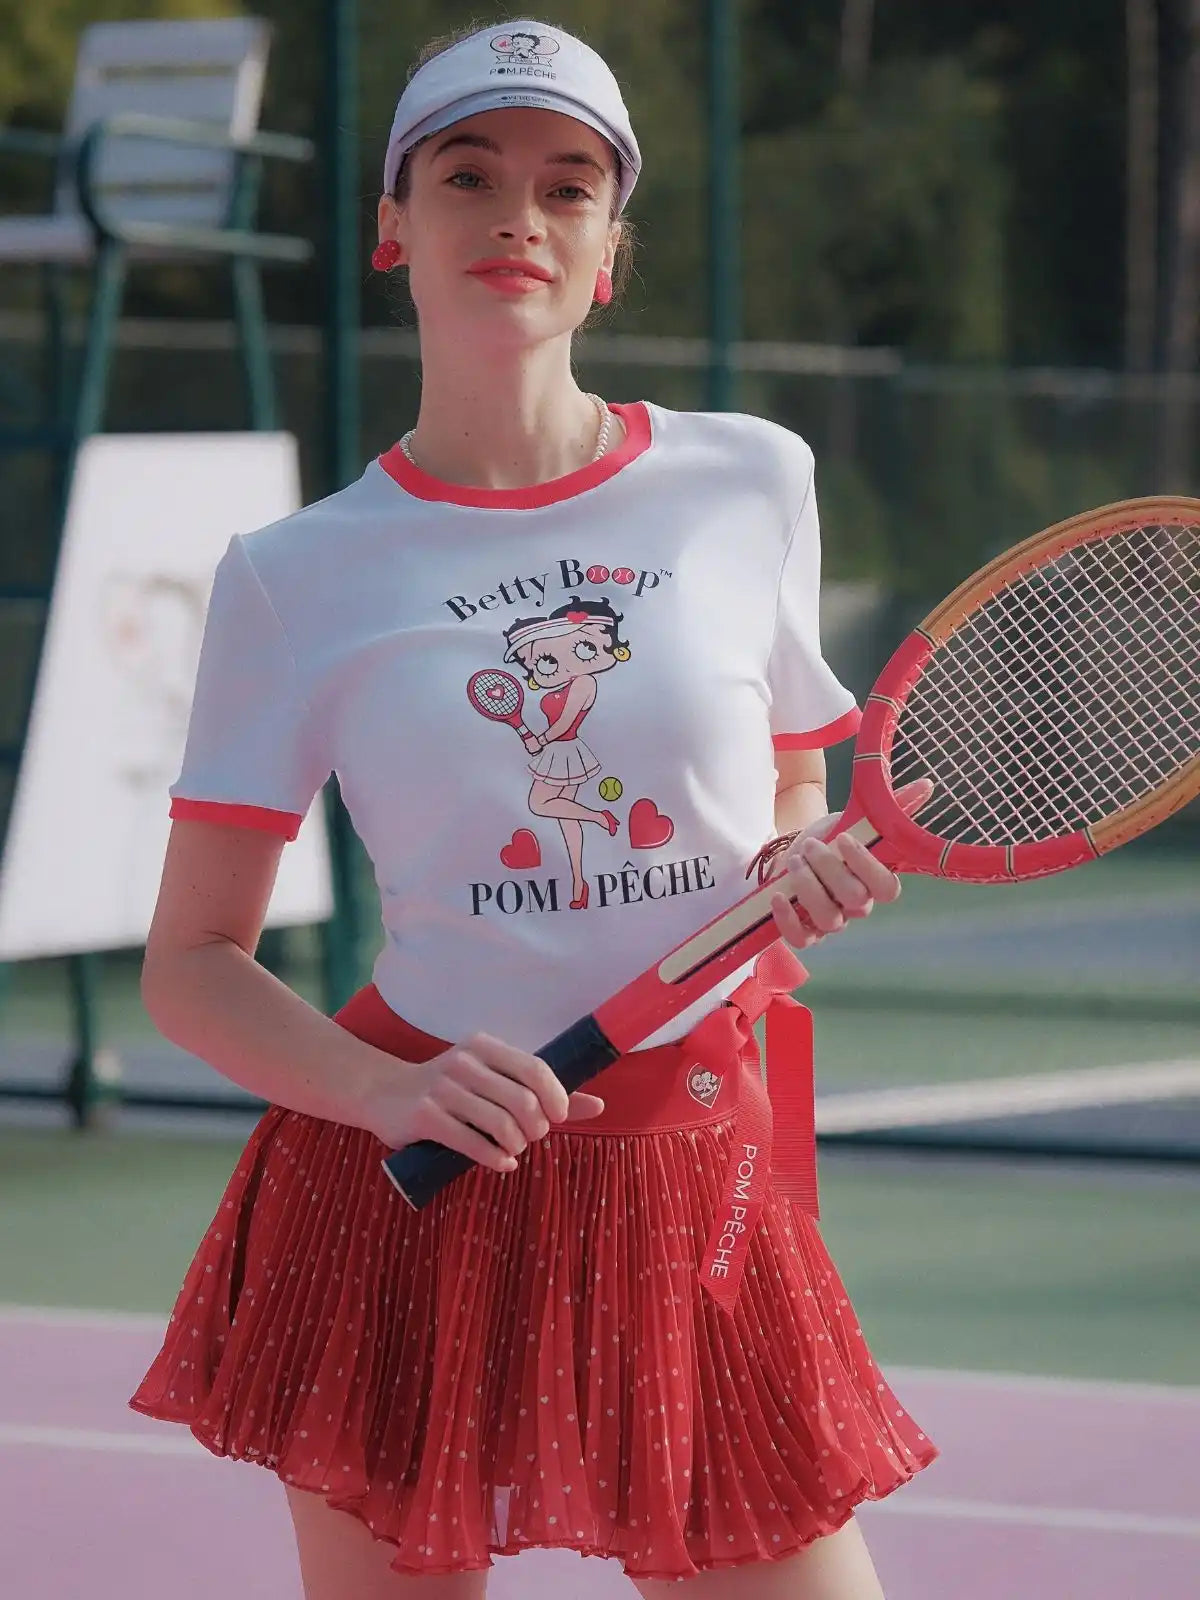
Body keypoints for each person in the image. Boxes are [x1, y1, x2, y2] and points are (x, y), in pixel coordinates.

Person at [130, 19, 937, 1598]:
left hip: (697, 1172)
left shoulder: (749, 480)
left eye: (570, 186)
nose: (521, 214)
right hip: (402, 1193)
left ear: (610, 253)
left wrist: (793, 852)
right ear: (394, 229)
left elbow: (788, 773)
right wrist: (381, 1096)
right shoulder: (294, 577)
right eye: (468, 174)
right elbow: (193, 963)